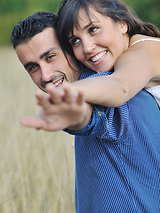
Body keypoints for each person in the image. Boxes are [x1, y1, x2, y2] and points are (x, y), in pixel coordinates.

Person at [11, 11, 160, 212]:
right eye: (32, 67)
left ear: (72, 48)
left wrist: (75, 115)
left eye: (50, 57)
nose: (45, 75)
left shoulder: (112, 94)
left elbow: (92, 115)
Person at [56, 0, 160, 108]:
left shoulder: (140, 52)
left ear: (121, 24)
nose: (87, 48)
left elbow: (121, 86)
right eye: (75, 41)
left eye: (93, 30)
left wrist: (68, 91)